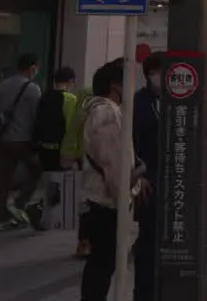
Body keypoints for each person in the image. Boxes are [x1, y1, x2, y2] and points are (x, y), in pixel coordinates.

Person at [80, 59, 147, 301]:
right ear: (115, 86)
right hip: (106, 200)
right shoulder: (107, 113)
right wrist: (128, 190)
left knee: (103, 262)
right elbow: (112, 162)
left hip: (102, 198)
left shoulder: (99, 110)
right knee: (103, 263)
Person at [0, 53, 43, 230]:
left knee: (2, 180)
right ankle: (19, 204)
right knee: (36, 169)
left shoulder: (4, 85)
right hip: (22, 140)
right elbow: (37, 116)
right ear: (32, 67)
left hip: (2, 139)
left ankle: (0, 217)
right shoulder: (32, 89)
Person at [29, 66, 79, 230]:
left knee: (51, 184)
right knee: (61, 186)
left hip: (44, 149)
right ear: (70, 81)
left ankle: (45, 218)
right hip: (61, 150)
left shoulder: (44, 97)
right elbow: (72, 128)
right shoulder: (70, 99)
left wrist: (35, 148)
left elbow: (37, 124)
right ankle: (39, 209)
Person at [132, 55, 164, 301]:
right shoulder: (140, 102)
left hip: (173, 179)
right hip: (147, 181)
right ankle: (143, 293)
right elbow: (131, 142)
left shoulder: (175, 99)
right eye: (157, 72)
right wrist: (138, 175)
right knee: (148, 239)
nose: (160, 77)